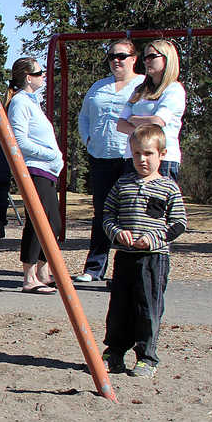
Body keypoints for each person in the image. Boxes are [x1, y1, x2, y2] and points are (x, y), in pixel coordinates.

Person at [101, 124, 187, 377]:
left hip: (153, 259)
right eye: (137, 153)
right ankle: (114, 352)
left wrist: (153, 238)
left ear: (162, 154)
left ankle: (147, 357)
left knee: (147, 307)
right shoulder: (122, 184)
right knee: (119, 307)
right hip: (124, 257)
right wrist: (116, 232)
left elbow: (179, 223)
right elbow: (107, 215)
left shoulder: (168, 187)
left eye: (148, 153)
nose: (142, 159)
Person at [73, 39, 144, 282]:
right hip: (100, 157)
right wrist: (88, 139)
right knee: (102, 212)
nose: (116, 60)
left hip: (129, 158)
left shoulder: (143, 85)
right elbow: (83, 116)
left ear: (134, 59)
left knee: (131, 212)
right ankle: (94, 267)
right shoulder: (98, 86)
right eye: (112, 56)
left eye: (122, 56)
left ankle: (128, 269)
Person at [6, 57, 64, 294]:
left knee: (53, 222)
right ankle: (29, 276)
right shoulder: (20, 102)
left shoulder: (32, 102)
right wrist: (50, 153)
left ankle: (43, 271)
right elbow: (18, 141)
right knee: (39, 221)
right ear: (28, 78)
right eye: (40, 73)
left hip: (47, 170)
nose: (44, 76)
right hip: (34, 168)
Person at [117, 38, 185, 182]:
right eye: (145, 57)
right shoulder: (139, 90)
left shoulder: (174, 89)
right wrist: (145, 133)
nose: (146, 61)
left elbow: (158, 121)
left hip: (162, 160)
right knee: (131, 203)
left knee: (157, 204)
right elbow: (120, 125)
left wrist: (133, 119)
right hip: (132, 157)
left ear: (167, 59)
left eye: (152, 56)